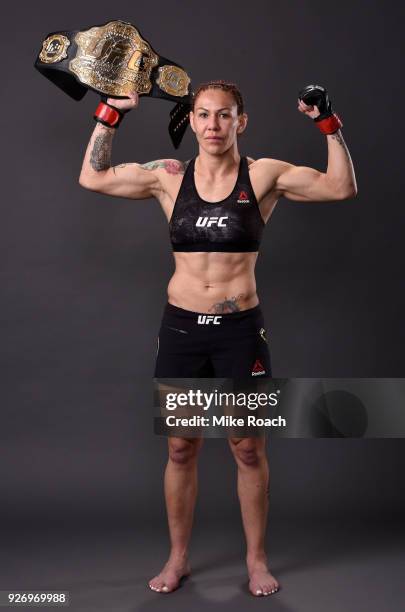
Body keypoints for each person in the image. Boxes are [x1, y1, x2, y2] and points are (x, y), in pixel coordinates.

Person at [78, 80, 357, 596]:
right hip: (182, 328)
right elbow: (91, 178)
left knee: (247, 448)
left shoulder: (264, 175)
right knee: (181, 449)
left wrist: (327, 123)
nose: (212, 125)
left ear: (240, 121)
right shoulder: (169, 176)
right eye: (203, 115)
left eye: (223, 116)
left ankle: (255, 560)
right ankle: (178, 558)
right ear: (193, 122)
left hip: (240, 331)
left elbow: (341, 187)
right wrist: (111, 113)